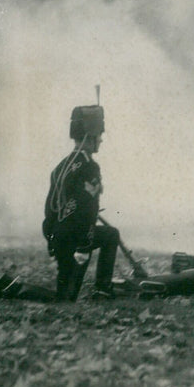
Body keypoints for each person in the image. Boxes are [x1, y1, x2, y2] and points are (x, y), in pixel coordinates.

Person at [41, 105, 119, 301]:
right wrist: (84, 247)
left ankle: (15, 290)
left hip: (58, 238)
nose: (101, 139)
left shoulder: (60, 166)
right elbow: (88, 211)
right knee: (111, 235)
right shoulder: (90, 167)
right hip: (77, 240)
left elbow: (50, 207)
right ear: (89, 138)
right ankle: (102, 290)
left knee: (63, 295)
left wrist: (51, 240)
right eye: (98, 135)